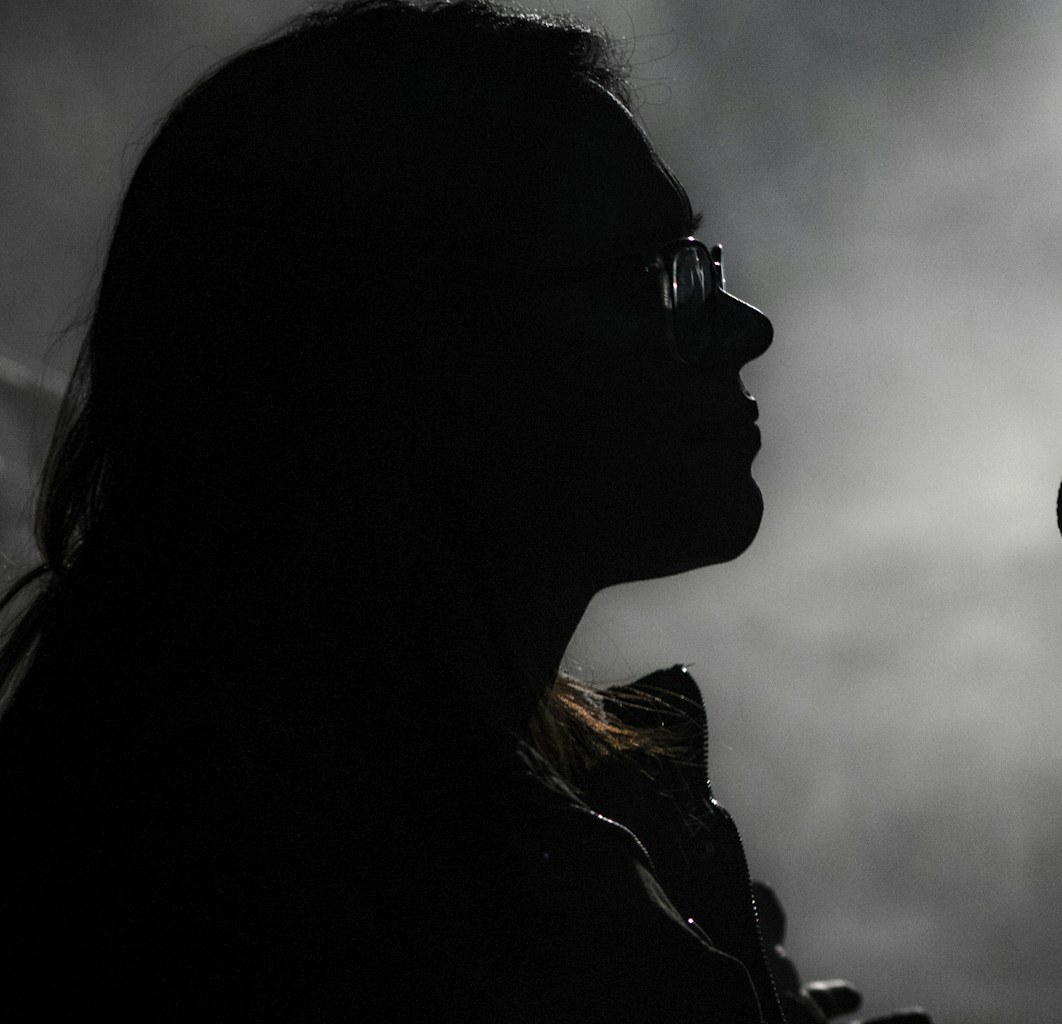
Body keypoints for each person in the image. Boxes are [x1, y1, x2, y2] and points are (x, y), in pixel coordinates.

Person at [0, 2, 925, 1021]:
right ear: (402, 356)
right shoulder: (347, 910)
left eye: (699, 262)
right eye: (652, 279)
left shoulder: (169, 791)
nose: (744, 328)